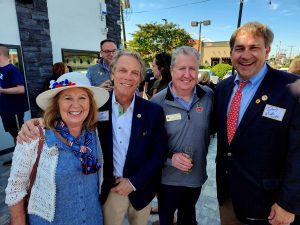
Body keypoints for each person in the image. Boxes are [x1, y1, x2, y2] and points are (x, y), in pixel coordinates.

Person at [17, 50, 167, 225]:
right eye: (122, 70)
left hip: (142, 188)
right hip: (111, 189)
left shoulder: (153, 111)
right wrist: (38, 122)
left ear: (141, 77)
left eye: (135, 72)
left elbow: (159, 153)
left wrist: (134, 182)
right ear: (112, 73)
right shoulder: (96, 107)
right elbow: (68, 114)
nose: (128, 77)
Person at [215, 21, 300, 225]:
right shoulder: (223, 88)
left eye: (254, 47)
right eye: (240, 49)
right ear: (231, 52)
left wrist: (289, 204)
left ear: (267, 50)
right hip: (228, 198)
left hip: (269, 207)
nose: (246, 55)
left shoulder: (292, 89)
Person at [5, 72, 109, 225]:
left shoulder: (94, 133)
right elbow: (15, 191)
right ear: (57, 103)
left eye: (82, 97)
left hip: (93, 219)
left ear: (90, 103)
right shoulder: (33, 137)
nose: (76, 105)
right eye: (68, 98)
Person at [151, 46, 214, 225]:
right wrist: (171, 159)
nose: (187, 74)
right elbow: (150, 145)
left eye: (192, 68)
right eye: (181, 68)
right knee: (166, 219)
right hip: (166, 179)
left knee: (188, 218)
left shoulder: (208, 96)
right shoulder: (158, 102)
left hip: (196, 177)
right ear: (172, 70)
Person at [0, 44, 29, 166]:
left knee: (20, 135)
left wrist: (2, 90)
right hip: (5, 109)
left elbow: (21, 89)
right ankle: (18, 158)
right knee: (15, 135)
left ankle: (26, 162)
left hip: (14, 110)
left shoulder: (12, 70)